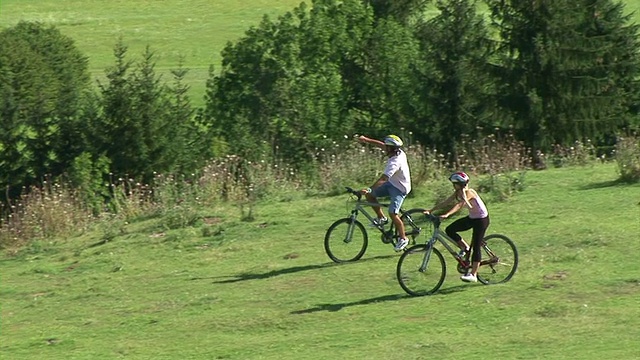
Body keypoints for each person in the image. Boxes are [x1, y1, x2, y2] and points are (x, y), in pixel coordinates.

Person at [424, 172, 489, 283]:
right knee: (450, 229)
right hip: (472, 218)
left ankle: (473, 274)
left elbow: (460, 205)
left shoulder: (470, 192)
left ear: (460, 184)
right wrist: (431, 210)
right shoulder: (457, 193)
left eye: (455, 184)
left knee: (476, 247)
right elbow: (446, 202)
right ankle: (465, 248)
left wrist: (447, 214)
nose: (453, 186)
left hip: (481, 220)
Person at [357, 134, 412, 251]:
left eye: (386, 147)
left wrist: (369, 188)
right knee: (370, 195)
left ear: (391, 148)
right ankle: (381, 218)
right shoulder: (397, 151)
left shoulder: (395, 162)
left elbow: (383, 179)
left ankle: (403, 238)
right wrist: (367, 140)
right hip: (392, 184)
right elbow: (380, 144)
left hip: (400, 189)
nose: (384, 148)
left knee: (393, 213)